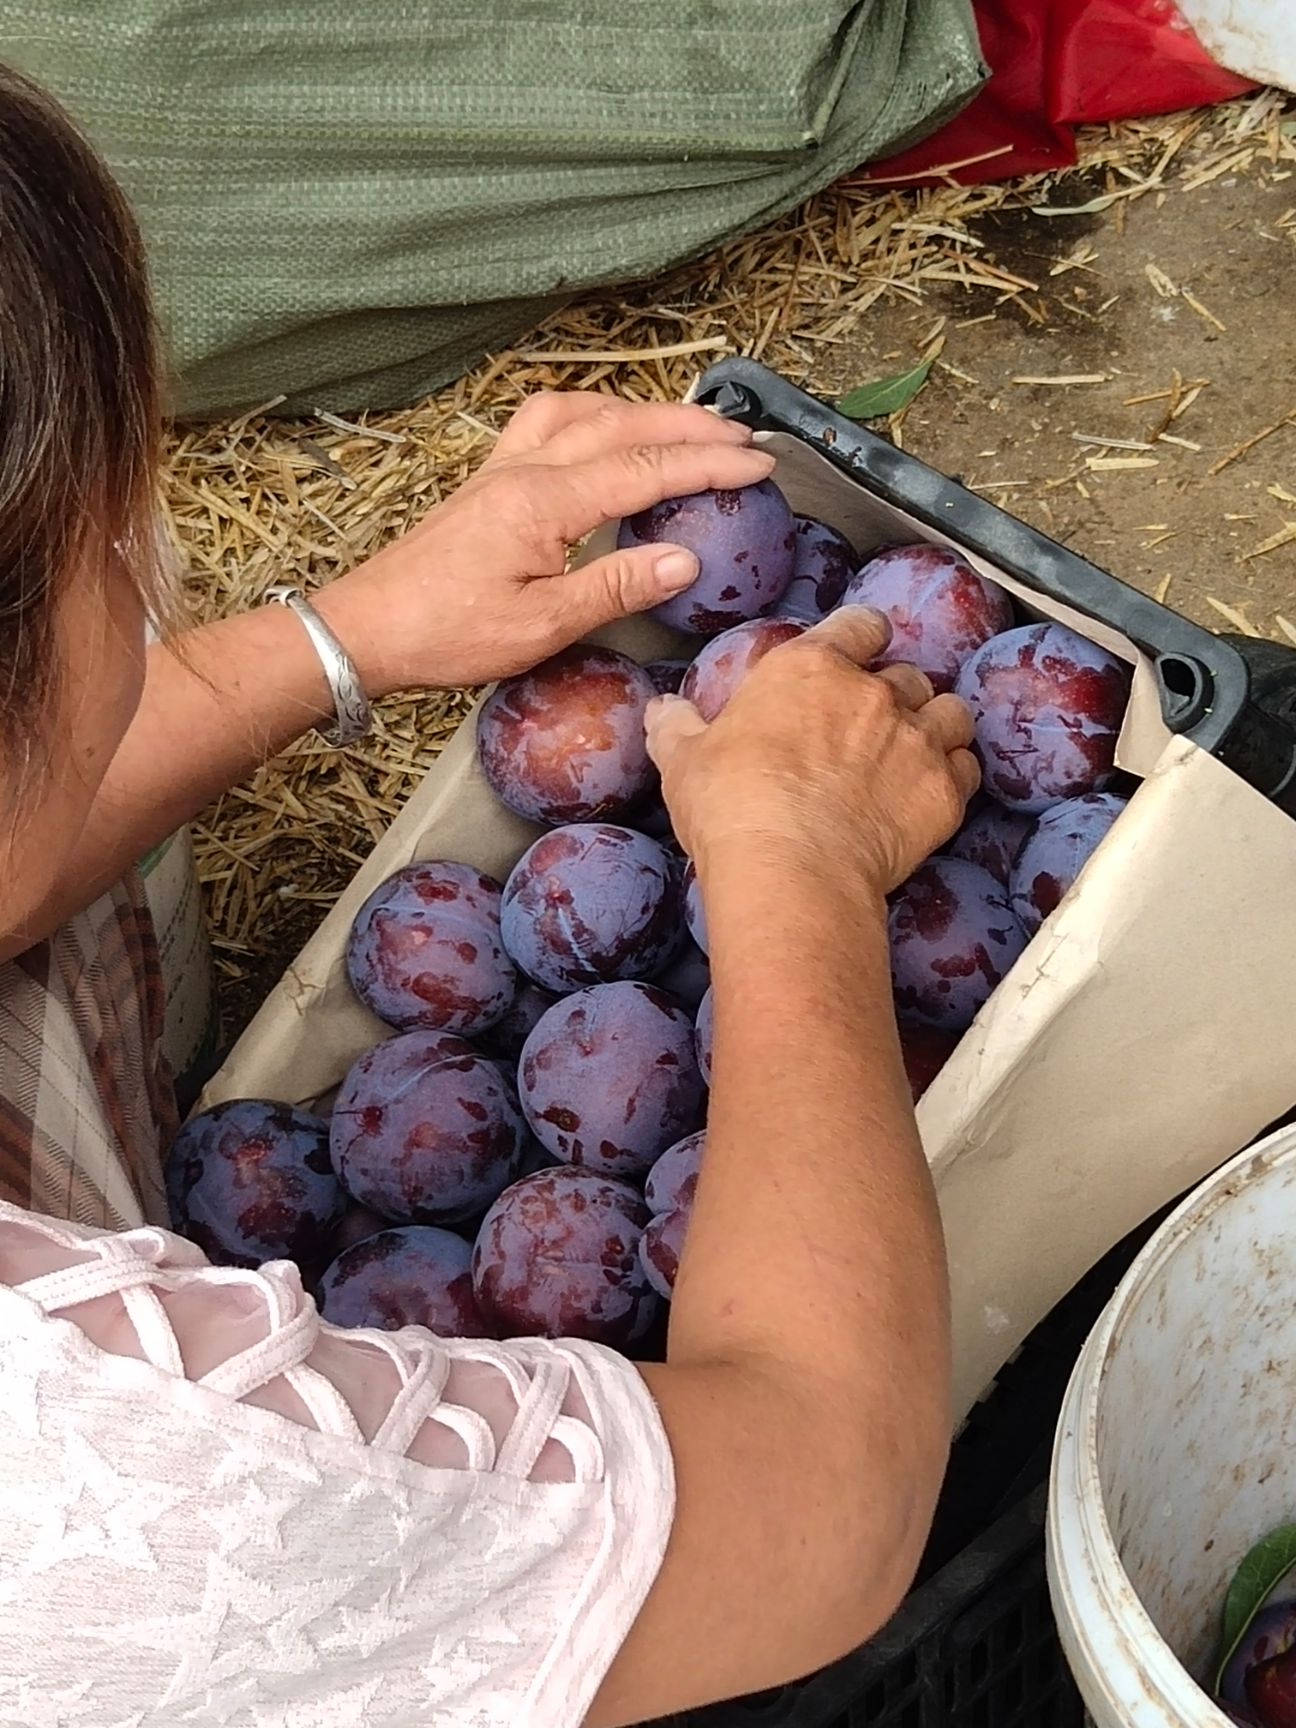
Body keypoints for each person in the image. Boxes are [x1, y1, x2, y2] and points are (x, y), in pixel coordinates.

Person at [0, 64, 979, 1728]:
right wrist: (795, 882)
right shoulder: (109, 1475)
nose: (147, 567)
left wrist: (346, 634)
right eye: (119, 538)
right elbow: (821, 1496)